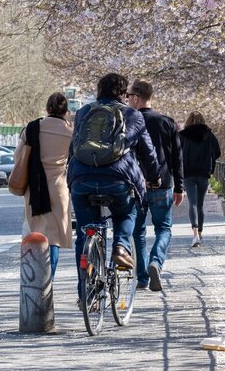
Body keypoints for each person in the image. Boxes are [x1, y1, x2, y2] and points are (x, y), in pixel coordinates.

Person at [68, 73, 160, 305]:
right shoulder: (133, 115)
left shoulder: (83, 113)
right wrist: (153, 178)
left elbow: (75, 146)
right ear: (123, 93)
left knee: (85, 232)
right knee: (127, 211)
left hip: (82, 178)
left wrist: (73, 176)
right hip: (118, 178)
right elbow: (148, 153)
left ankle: (84, 294)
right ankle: (121, 246)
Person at [126, 80, 184, 291]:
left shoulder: (130, 122)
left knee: (138, 231)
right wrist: (179, 186)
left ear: (136, 98)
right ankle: (156, 262)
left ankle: (142, 277)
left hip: (136, 184)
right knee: (164, 228)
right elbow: (177, 158)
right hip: (163, 184)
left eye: (128, 95)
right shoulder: (167, 122)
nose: (127, 99)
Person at [16, 92, 74, 280]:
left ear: (47, 109)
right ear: (66, 111)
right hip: (58, 188)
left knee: (37, 235)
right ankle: (48, 283)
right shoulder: (70, 133)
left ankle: (35, 281)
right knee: (54, 239)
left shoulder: (31, 128)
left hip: (35, 188)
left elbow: (18, 158)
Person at [179, 111, 221, 247]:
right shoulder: (208, 135)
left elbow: (176, 153)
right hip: (203, 172)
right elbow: (218, 152)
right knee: (200, 204)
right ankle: (201, 233)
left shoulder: (182, 136)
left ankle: (195, 233)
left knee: (192, 203)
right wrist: (208, 159)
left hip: (188, 173)